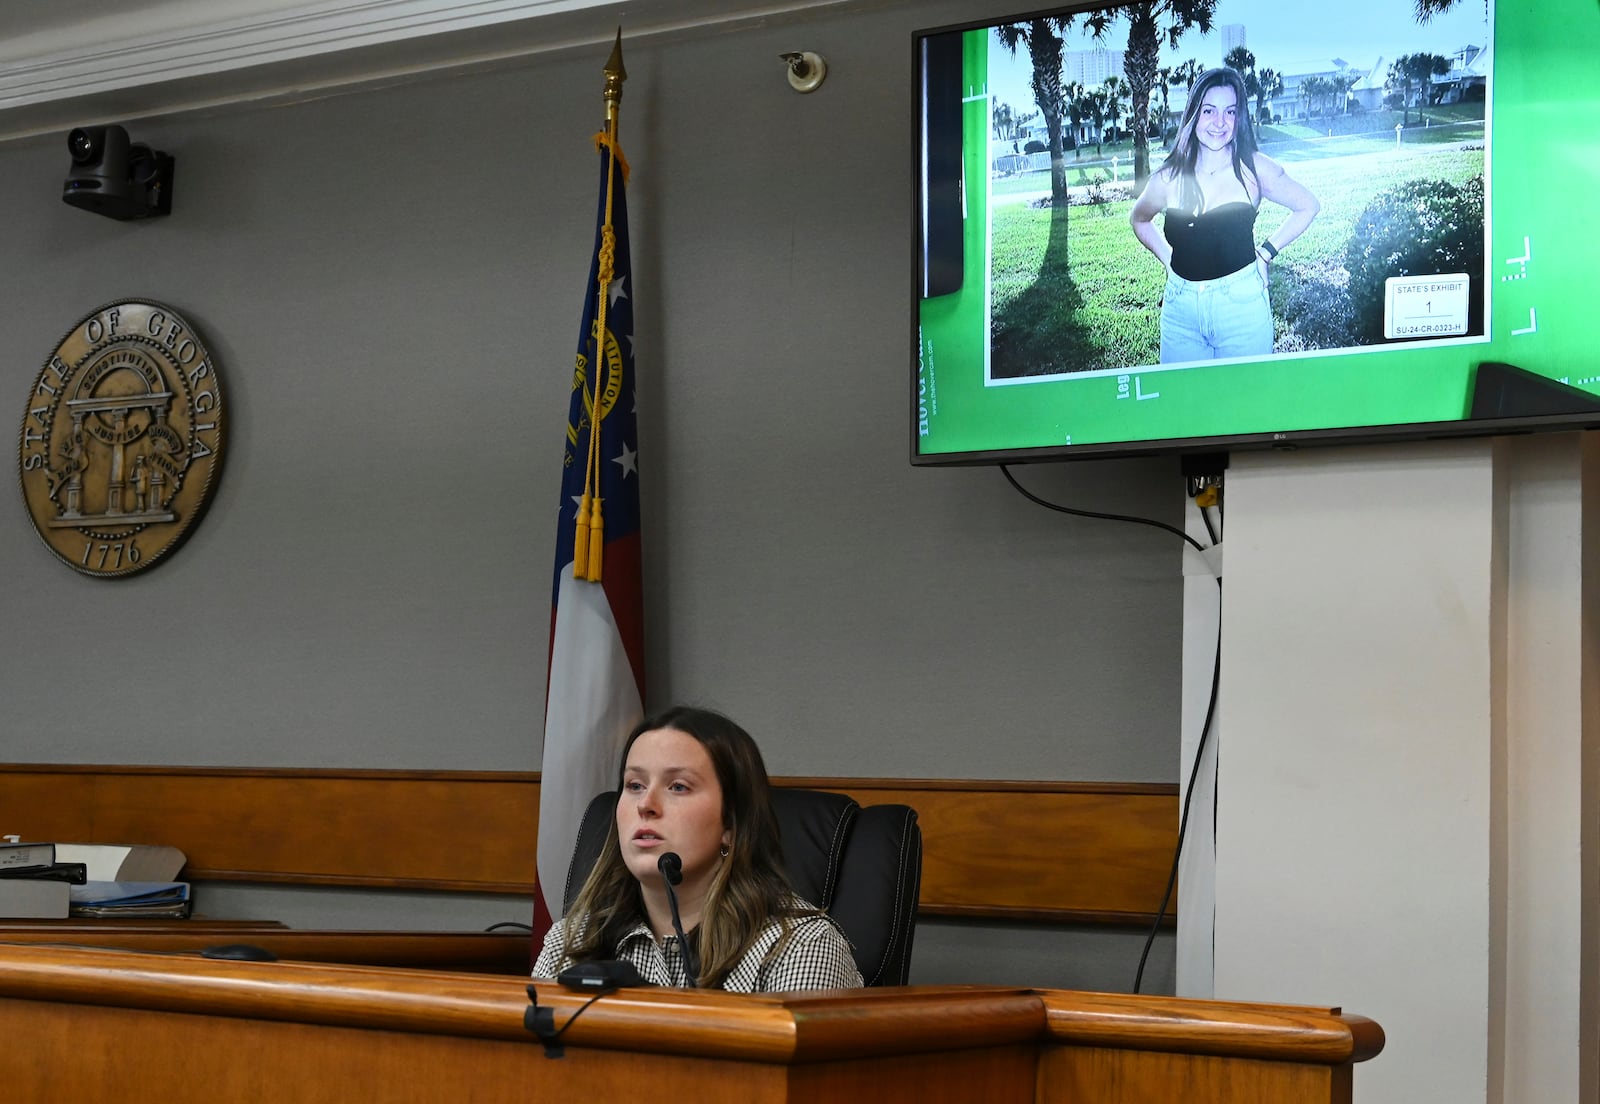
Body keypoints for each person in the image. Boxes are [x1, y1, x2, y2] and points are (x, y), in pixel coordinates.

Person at [532, 705, 863, 992]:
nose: (645, 805)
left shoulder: (800, 947)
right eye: (635, 785)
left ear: (731, 825)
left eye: (678, 786)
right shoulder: (571, 941)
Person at [1130, 66, 1319, 363]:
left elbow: (1307, 205)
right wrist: (1169, 260)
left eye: (1230, 112)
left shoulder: (1255, 168)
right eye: (1209, 111)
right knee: (1184, 405)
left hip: (1242, 309)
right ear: (1193, 114)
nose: (1220, 122)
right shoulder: (1169, 176)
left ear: (1239, 117)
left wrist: (1266, 253)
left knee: (1245, 406)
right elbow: (1139, 219)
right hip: (1181, 314)